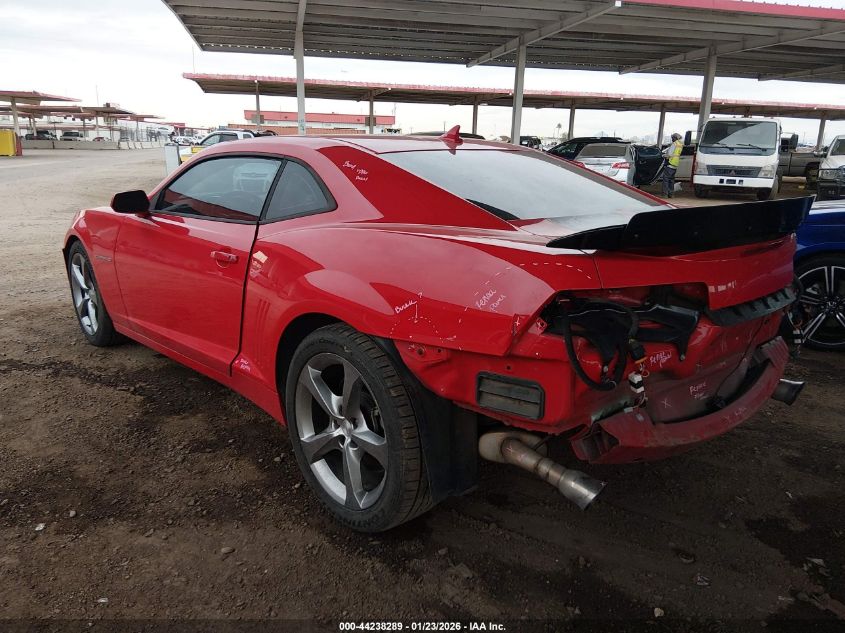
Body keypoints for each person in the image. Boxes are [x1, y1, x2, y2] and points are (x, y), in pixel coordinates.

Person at [662, 132, 684, 198]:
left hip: (670, 163)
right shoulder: (680, 144)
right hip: (675, 164)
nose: (672, 139)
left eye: (672, 138)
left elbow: (669, 154)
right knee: (671, 180)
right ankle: (671, 194)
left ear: (675, 138)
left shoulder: (674, 144)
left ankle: (665, 194)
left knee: (666, 180)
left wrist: (663, 155)